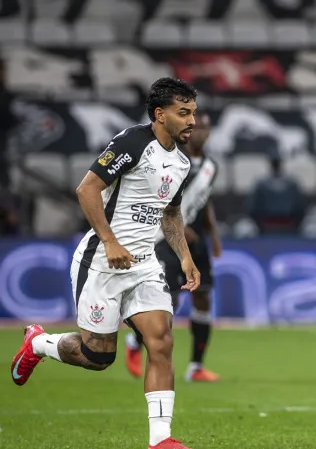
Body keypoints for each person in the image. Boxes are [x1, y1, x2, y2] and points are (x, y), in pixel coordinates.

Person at [10, 77, 200, 449]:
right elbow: (87, 188)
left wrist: (185, 256)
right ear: (160, 114)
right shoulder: (132, 142)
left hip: (144, 265)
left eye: (193, 112)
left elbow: (171, 213)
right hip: (101, 261)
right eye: (184, 113)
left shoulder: (181, 162)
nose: (192, 120)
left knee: (161, 341)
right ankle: (39, 343)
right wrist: (110, 241)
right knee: (98, 357)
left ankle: (160, 440)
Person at [125, 112, 223, 382]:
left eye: (205, 128)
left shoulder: (211, 167)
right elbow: (156, 197)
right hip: (167, 238)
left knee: (203, 298)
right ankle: (135, 340)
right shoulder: (173, 160)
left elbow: (205, 201)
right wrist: (178, 228)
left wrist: (214, 236)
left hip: (197, 241)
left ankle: (196, 367)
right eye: (196, 127)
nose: (200, 132)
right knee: (170, 299)